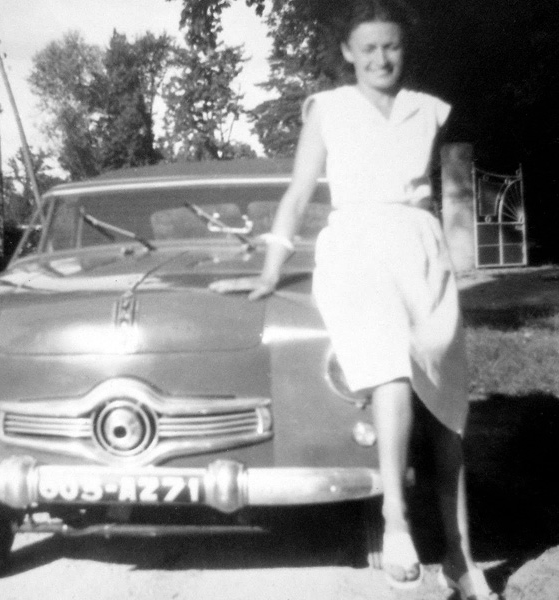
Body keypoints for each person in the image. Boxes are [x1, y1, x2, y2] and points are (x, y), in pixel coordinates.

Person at [211, 1, 497, 598]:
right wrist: (269, 272)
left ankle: (460, 558)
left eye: (390, 46)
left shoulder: (428, 109)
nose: (381, 58)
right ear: (347, 52)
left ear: (403, 48)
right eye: (368, 48)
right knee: (391, 374)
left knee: (447, 414)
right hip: (356, 252)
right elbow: (297, 195)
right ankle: (395, 518)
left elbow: (435, 196)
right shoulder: (329, 109)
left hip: (421, 256)